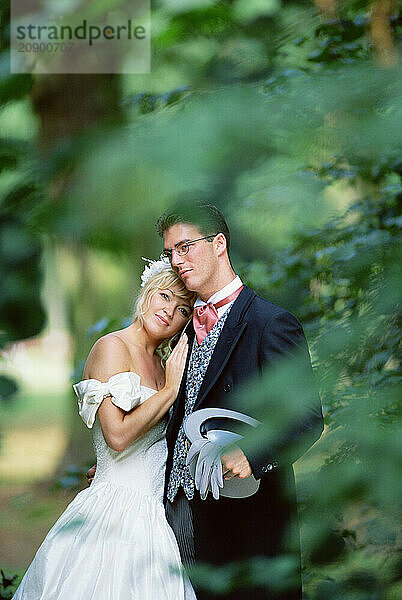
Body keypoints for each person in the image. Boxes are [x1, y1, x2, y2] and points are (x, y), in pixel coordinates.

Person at [155, 202, 324, 600]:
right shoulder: (180, 331)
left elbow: (307, 417)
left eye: (185, 247)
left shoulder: (271, 323)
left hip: (245, 520)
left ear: (219, 244)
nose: (176, 261)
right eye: (169, 253)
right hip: (178, 516)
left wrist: (251, 452)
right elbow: (176, 418)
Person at [12, 266, 198, 600]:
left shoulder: (161, 363)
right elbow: (117, 436)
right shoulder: (112, 347)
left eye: (182, 308)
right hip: (116, 510)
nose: (169, 311)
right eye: (165, 296)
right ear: (146, 293)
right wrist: (170, 391)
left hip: (155, 513)